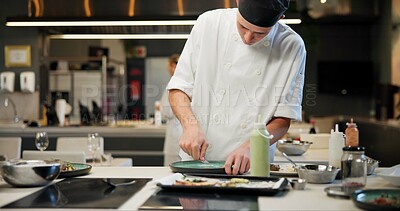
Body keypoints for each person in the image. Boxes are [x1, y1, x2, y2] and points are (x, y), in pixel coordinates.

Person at [167, 0, 306, 175]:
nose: (247, 38)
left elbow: (283, 119)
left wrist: (251, 147)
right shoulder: (208, 24)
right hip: (197, 164)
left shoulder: (291, 46)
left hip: (251, 166)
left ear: (281, 18)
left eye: (259, 33)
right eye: (242, 27)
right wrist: (190, 125)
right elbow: (178, 89)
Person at [161, 54, 182, 166]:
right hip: (179, 138)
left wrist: (161, 108)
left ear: (173, 66)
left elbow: (167, 112)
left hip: (175, 140)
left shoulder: (174, 85)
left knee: (171, 174)